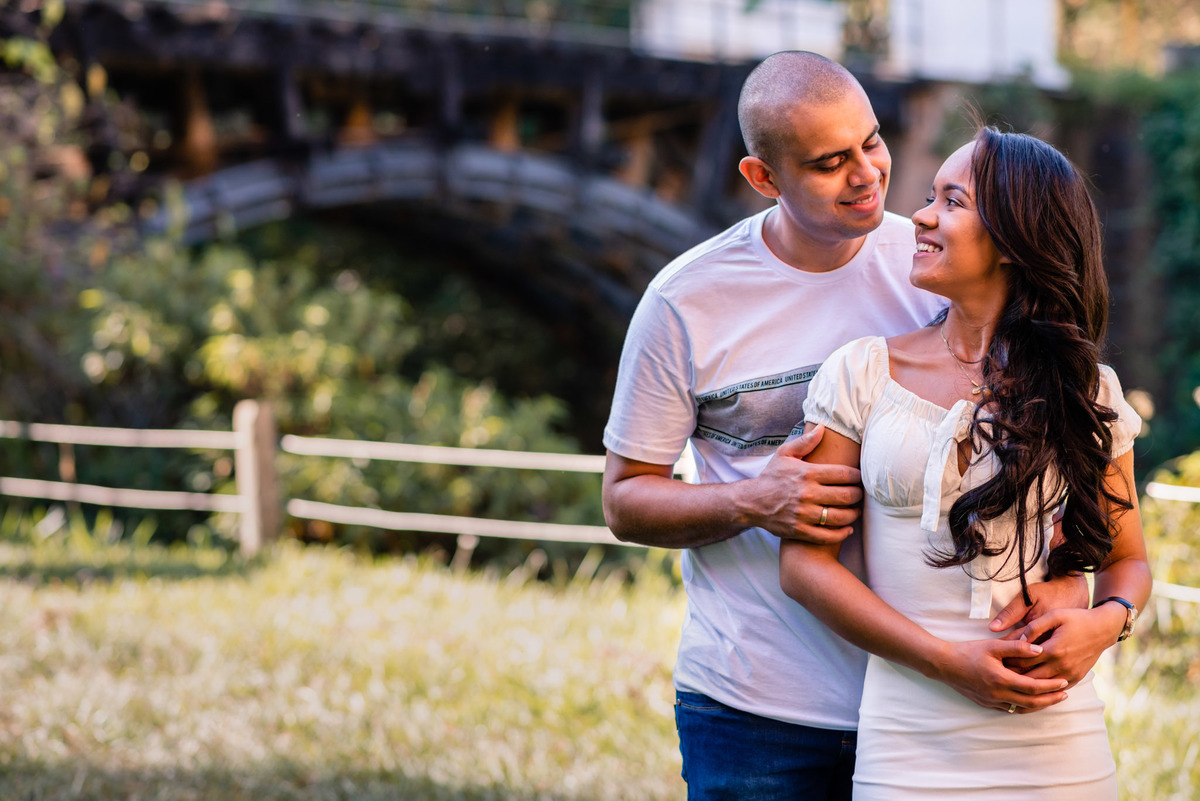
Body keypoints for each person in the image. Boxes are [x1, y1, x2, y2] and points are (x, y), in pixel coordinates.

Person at [602, 51, 1106, 800]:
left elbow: (1046, 444)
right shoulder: (686, 302)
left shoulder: (934, 258)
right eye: (830, 161)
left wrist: (1082, 589)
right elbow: (624, 499)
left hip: (937, 702)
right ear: (763, 179)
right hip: (759, 705)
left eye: (872, 141)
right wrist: (752, 501)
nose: (868, 173)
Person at [779, 126, 1151, 799]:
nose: (919, 215)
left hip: (1059, 749)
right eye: (930, 196)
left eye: (951, 201)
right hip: (907, 744)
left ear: (1014, 238)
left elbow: (1130, 561)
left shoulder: (1087, 390)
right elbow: (804, 566)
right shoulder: (860, 372)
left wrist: (1105, 622)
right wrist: (948, 661)